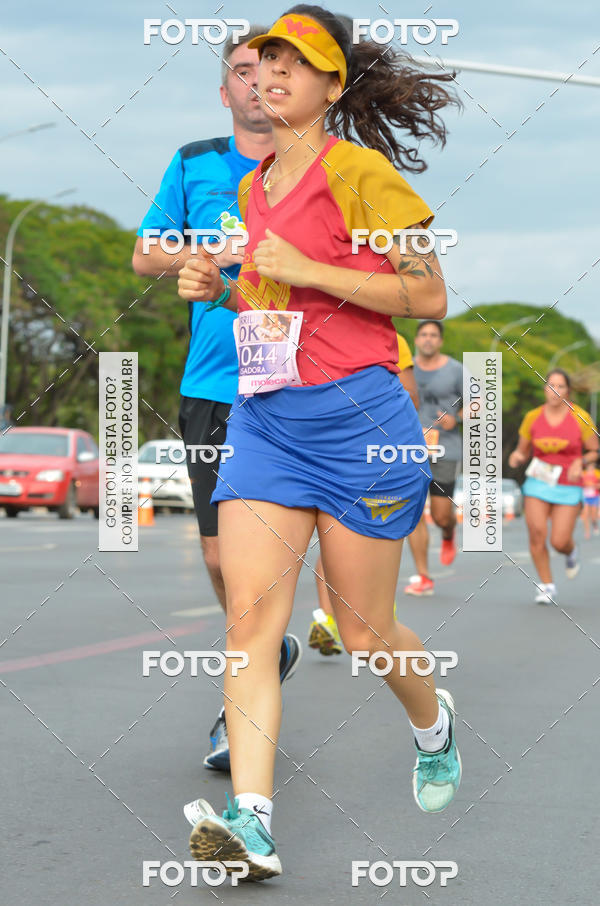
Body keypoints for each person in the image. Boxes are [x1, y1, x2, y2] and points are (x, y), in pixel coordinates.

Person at [178, 5, 462, 880]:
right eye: (262, 62)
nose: (270, 75)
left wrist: (309, 271)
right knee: (251, 624)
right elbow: (275, 307)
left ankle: (434, 725)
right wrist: (221, 289)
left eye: (293, 64)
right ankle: (251, 822)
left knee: (367, 630)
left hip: (361, 426)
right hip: (268, 421)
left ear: (332, 85)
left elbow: (427, 297)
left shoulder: (362, 174)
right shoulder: (253, 187)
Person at [132, 26, 302, 772]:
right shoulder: (195, 162)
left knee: (263, 565)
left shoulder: (311, 166)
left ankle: (241, 714)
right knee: (215, 553)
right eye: (241, 71)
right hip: (211, 384)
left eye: (270, 72)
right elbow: (145, 252)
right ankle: (271, 650)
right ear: (226, 88)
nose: (255, 84)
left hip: (295, 383)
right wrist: (211, 252)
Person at [308, 332, 418, 655]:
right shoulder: (308, 326)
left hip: (374, 453)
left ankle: (378, 614)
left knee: (361, 542)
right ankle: (329, 619)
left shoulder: (392, 339)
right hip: (319, 450)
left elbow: (410, 396)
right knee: (330, 540)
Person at [508, 369, 598, 604]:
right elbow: (522, 449)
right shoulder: (532, 417)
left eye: (561, 386)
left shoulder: (581, 417)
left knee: (559, 540)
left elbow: (594, 450)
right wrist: (516, 456)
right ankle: (546, 585)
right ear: (544, 389)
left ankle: (571, 551)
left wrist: (582, 460)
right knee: (537, 533)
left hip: (568, 484)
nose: (555, 391)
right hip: (539, 481)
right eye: (551, 386)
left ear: (568, 391)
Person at [404, 320, 463, 596]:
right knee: (413, 513)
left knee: (440, 515)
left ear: (440, 341)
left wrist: (457, 419)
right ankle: (423, 576)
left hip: (445, 450)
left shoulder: (455, 370)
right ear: (417, 339)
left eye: (433, 335)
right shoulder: (405, 368)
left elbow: (480, 402)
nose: (428, 339)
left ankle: (448, 531)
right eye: (423, 334)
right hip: (410, 449)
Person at [582, 462, 600, 538]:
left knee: (593, 516)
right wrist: (586, 484)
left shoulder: (597, 475)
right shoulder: (583, 475)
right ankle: (587, 532)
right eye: (589, 466)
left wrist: (593, 485)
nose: (590, 468)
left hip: (595, 496)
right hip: (586, 497)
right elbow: (581, 484)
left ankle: (595, 526)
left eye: (592, 467)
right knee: (585, 515)